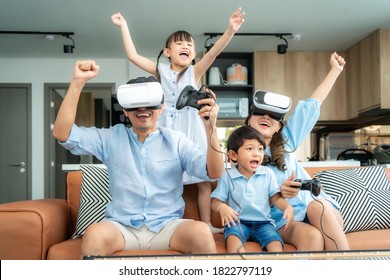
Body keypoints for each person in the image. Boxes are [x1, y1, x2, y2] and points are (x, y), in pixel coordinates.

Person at [52, 60, 224, 259]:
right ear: (125, 110)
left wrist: (210, 127)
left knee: (201, 233)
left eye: (150, 103)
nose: (143, 109)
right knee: (94, 235)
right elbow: (62, 134)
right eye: (135, 105)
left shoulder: (177, 141)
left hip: (167, 226)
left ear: (161, 108)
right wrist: (78, 82)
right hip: (123, 227)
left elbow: (215, 172)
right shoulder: (110, 138)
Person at [111, 8, 245, 234]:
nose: (186, 47)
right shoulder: (159, 71)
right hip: (166, 131)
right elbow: (133, 56)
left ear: (193, 54)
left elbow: (213, 53)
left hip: (192, 130)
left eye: (190, 45)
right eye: (179, 44)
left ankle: (206, 224)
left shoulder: (195, 71)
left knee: (204, 181)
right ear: (167, 51)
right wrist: (124, 26)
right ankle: (166, 223)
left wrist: (230, 30)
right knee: (165, 178)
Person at [245, 52, 350, 251]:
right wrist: (278, 194)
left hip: (320, 211)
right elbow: (244, 197)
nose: (266, 116)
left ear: (278, 127)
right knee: (313, 232)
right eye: (260, 112)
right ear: (249, 119)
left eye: (274, 116)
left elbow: (310, 107)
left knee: (318, 206)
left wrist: (334, 72)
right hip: (282, 218)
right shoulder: (241, 152)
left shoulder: (286, 143)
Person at [211, 126, 294, 253]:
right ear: (233, 155)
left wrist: (287, 207)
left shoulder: (268, 174)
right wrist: (222, 207)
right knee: (233, 240)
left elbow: (276, 199)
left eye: (260, 149)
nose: (256, 153)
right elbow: (215, 202)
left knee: (275, 243)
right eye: (250, 148)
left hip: (264, 223)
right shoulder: (227, 176)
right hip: (238, 222)